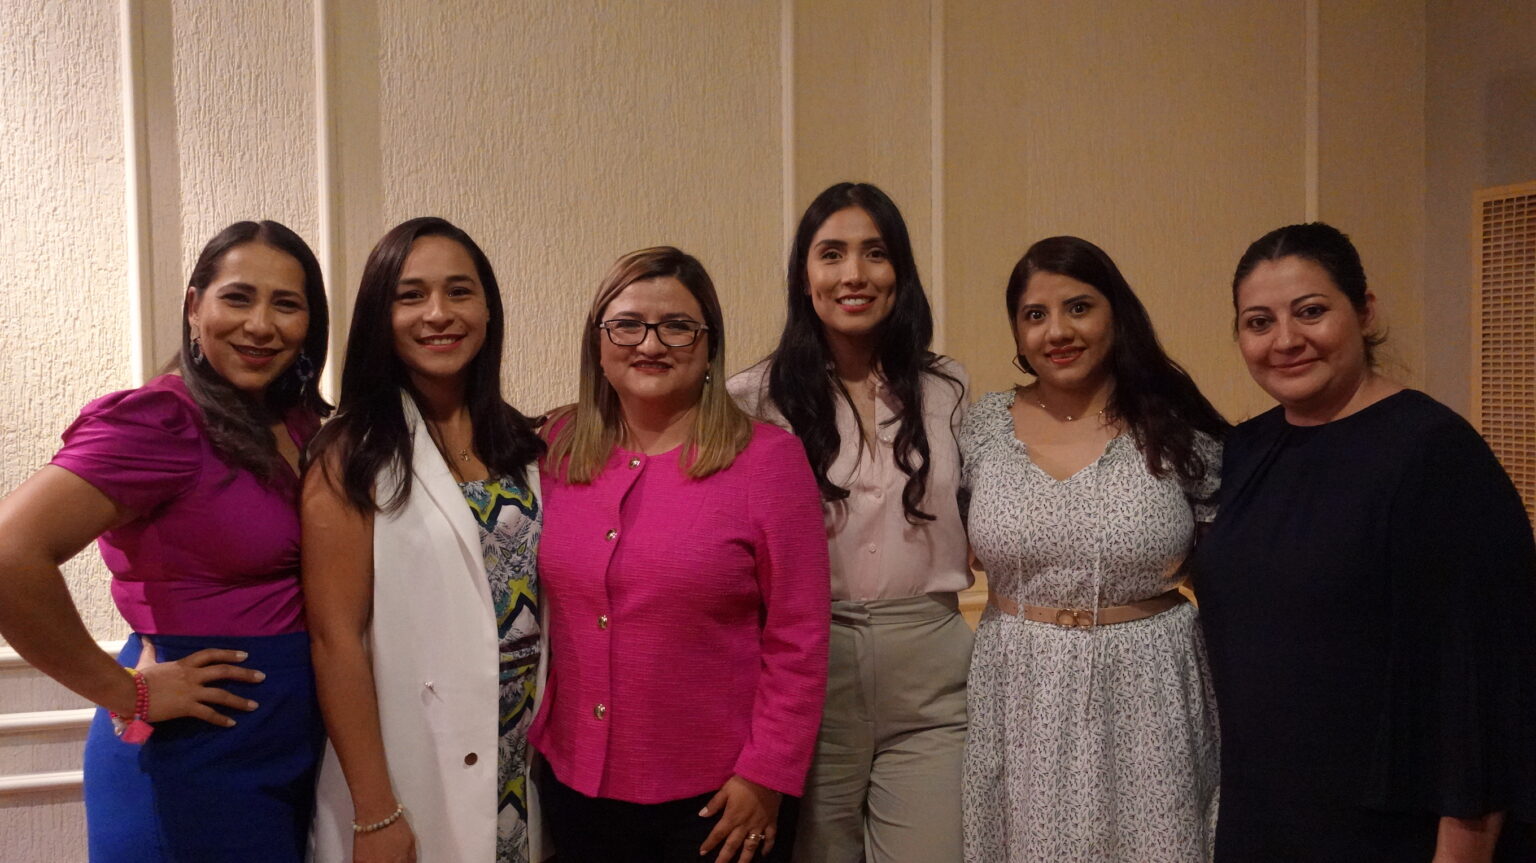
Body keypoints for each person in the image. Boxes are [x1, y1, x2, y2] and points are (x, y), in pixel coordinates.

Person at [1191, 222, 1536, 863]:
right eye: (1258, 322)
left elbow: (1483, 680)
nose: (1286, 340)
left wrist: (1463, 850)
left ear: (1365, 310)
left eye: (1312, 312)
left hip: (1386, 826)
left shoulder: (1435, 454)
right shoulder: (1246, 449)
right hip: (1261, 813)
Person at [0, 220, 331, 862]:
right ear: (193, 306)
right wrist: (129, 692)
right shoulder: (160, 424)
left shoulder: (300, 424)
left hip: (292, 750)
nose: (261, 324)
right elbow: (10, 553)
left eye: (285, 304)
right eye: (238, 297)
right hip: (192, 755)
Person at [532, 245, 830, 863]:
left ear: (709, 346)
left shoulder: (768, 461)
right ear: (598, 341)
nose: (650, 344)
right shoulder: (553, 450)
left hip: (720, 800)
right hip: (575, 786)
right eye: (628, 325)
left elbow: (799, 637)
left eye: (677, 327)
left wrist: (767, 775)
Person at [960, 236, 1227, 862]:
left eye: (1078, 307)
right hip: (1018, 683)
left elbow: (1234, 562)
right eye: (1035, 315)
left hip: (1152, 685)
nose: (1058, 331)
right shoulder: (982, 427)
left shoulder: (1174, 424)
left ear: (1115, 314)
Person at [729, 181, 973, 863]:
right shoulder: (751, 399)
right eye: (831, 254)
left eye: (875, 253)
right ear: (804, 277)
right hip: (809, 662)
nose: (854, 274)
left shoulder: (948, 386)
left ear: (902, 272)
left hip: (932, 663)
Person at [304, 217, 548, 863]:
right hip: (412, 769)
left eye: (459, 291)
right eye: (410, 295)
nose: (437, 313)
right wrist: (375, 809)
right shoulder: (349, 454)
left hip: (520, 764)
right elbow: (336, 640)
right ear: (379, 316)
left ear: (489, 308)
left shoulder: (522, 444)